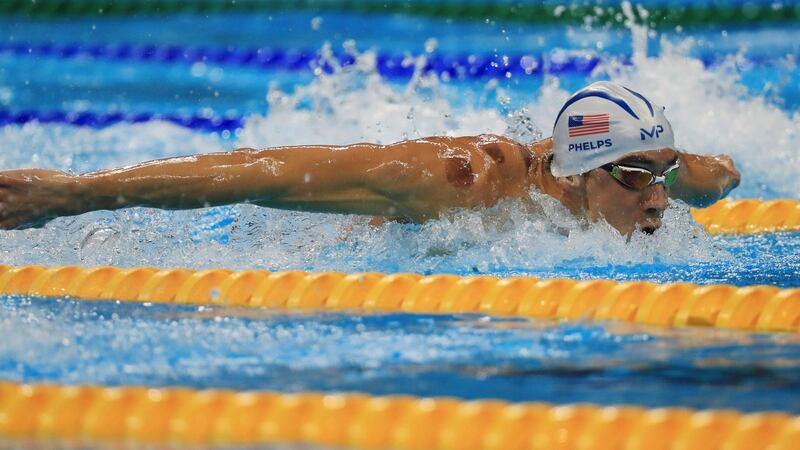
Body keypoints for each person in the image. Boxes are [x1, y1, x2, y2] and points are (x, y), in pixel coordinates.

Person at [0, 81, 739, 237]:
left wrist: (711, 171)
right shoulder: (465, 181)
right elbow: (265, 169)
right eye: (638, 177)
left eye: (662, 172)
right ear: (577, 173)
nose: (659, 200)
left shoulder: (672, 179)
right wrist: (79, 192)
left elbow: (718, 172)